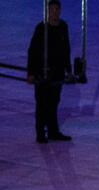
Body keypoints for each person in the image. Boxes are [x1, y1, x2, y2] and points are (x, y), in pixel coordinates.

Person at [27, 0, 72, 144]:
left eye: (57, 9)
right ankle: (40, 133)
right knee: (42, 103)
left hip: (57, 72)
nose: (55, 12)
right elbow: (33, 51)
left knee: (54, 102)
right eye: (52, 10)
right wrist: (31, 72)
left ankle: (53, 131)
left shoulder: (63, 26)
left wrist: (68, 70)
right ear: (47, 11)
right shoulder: (42, 28)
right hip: (42, 71)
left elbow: (66, 50)